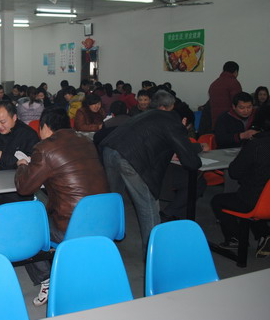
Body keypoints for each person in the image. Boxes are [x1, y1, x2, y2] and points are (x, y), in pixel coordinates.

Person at [15, 107, 109, 306]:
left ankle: (46, 279)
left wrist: (22, 166)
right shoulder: (86, 141)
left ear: (45, 127)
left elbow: (24, 187)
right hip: (103, 220)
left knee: (25, 226)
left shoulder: (45, 148)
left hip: (72, 225)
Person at [101, 90, 204, 254]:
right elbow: (191, 161)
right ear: (184, 120)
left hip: (109, 150)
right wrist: (184, 134)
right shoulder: (173, 121)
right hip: (129, 158)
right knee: (148, 205)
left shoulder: (148, 115)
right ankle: (153, 253)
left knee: (114, 199)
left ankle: (106, 239)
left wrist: (194, 146)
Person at [211, 105, 270, 256]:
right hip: (265, 200)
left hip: (254, 201)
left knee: (218, 200)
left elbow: (234, 172)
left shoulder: (256, 145)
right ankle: (264, 234)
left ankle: (235, 238)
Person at [208, 61, 242, 128]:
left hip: (216, 122)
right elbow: (238, 103)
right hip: (230, 121)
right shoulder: (234, 83)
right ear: (235, 72)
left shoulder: (214, 84)